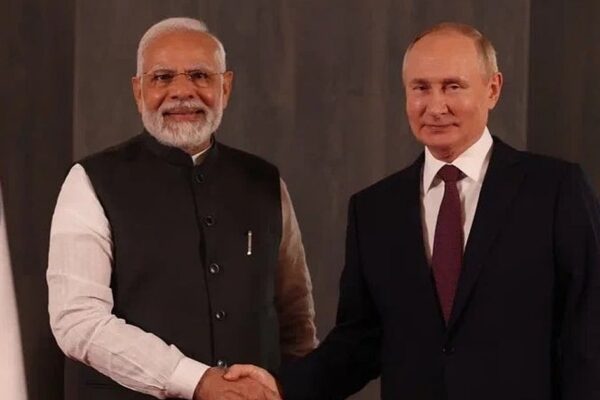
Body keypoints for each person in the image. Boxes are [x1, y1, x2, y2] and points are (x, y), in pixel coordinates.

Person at [225, 22, 600, 399]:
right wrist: (281, 387)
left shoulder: (555, 190)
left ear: (493, 89)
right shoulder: (374, 209)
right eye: (421, 88)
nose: (435, 107)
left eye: (452, 86)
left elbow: (588, 330)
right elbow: (360, 340)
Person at [47, 17, 317, 400]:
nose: (182, 92)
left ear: (226, 87)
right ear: (138, 90)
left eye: (200, 76)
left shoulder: (265, 181)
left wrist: (297, 388)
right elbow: (77, 321)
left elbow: (295, 316)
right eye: (162, 77)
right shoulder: (90, 181)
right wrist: (197, 380)